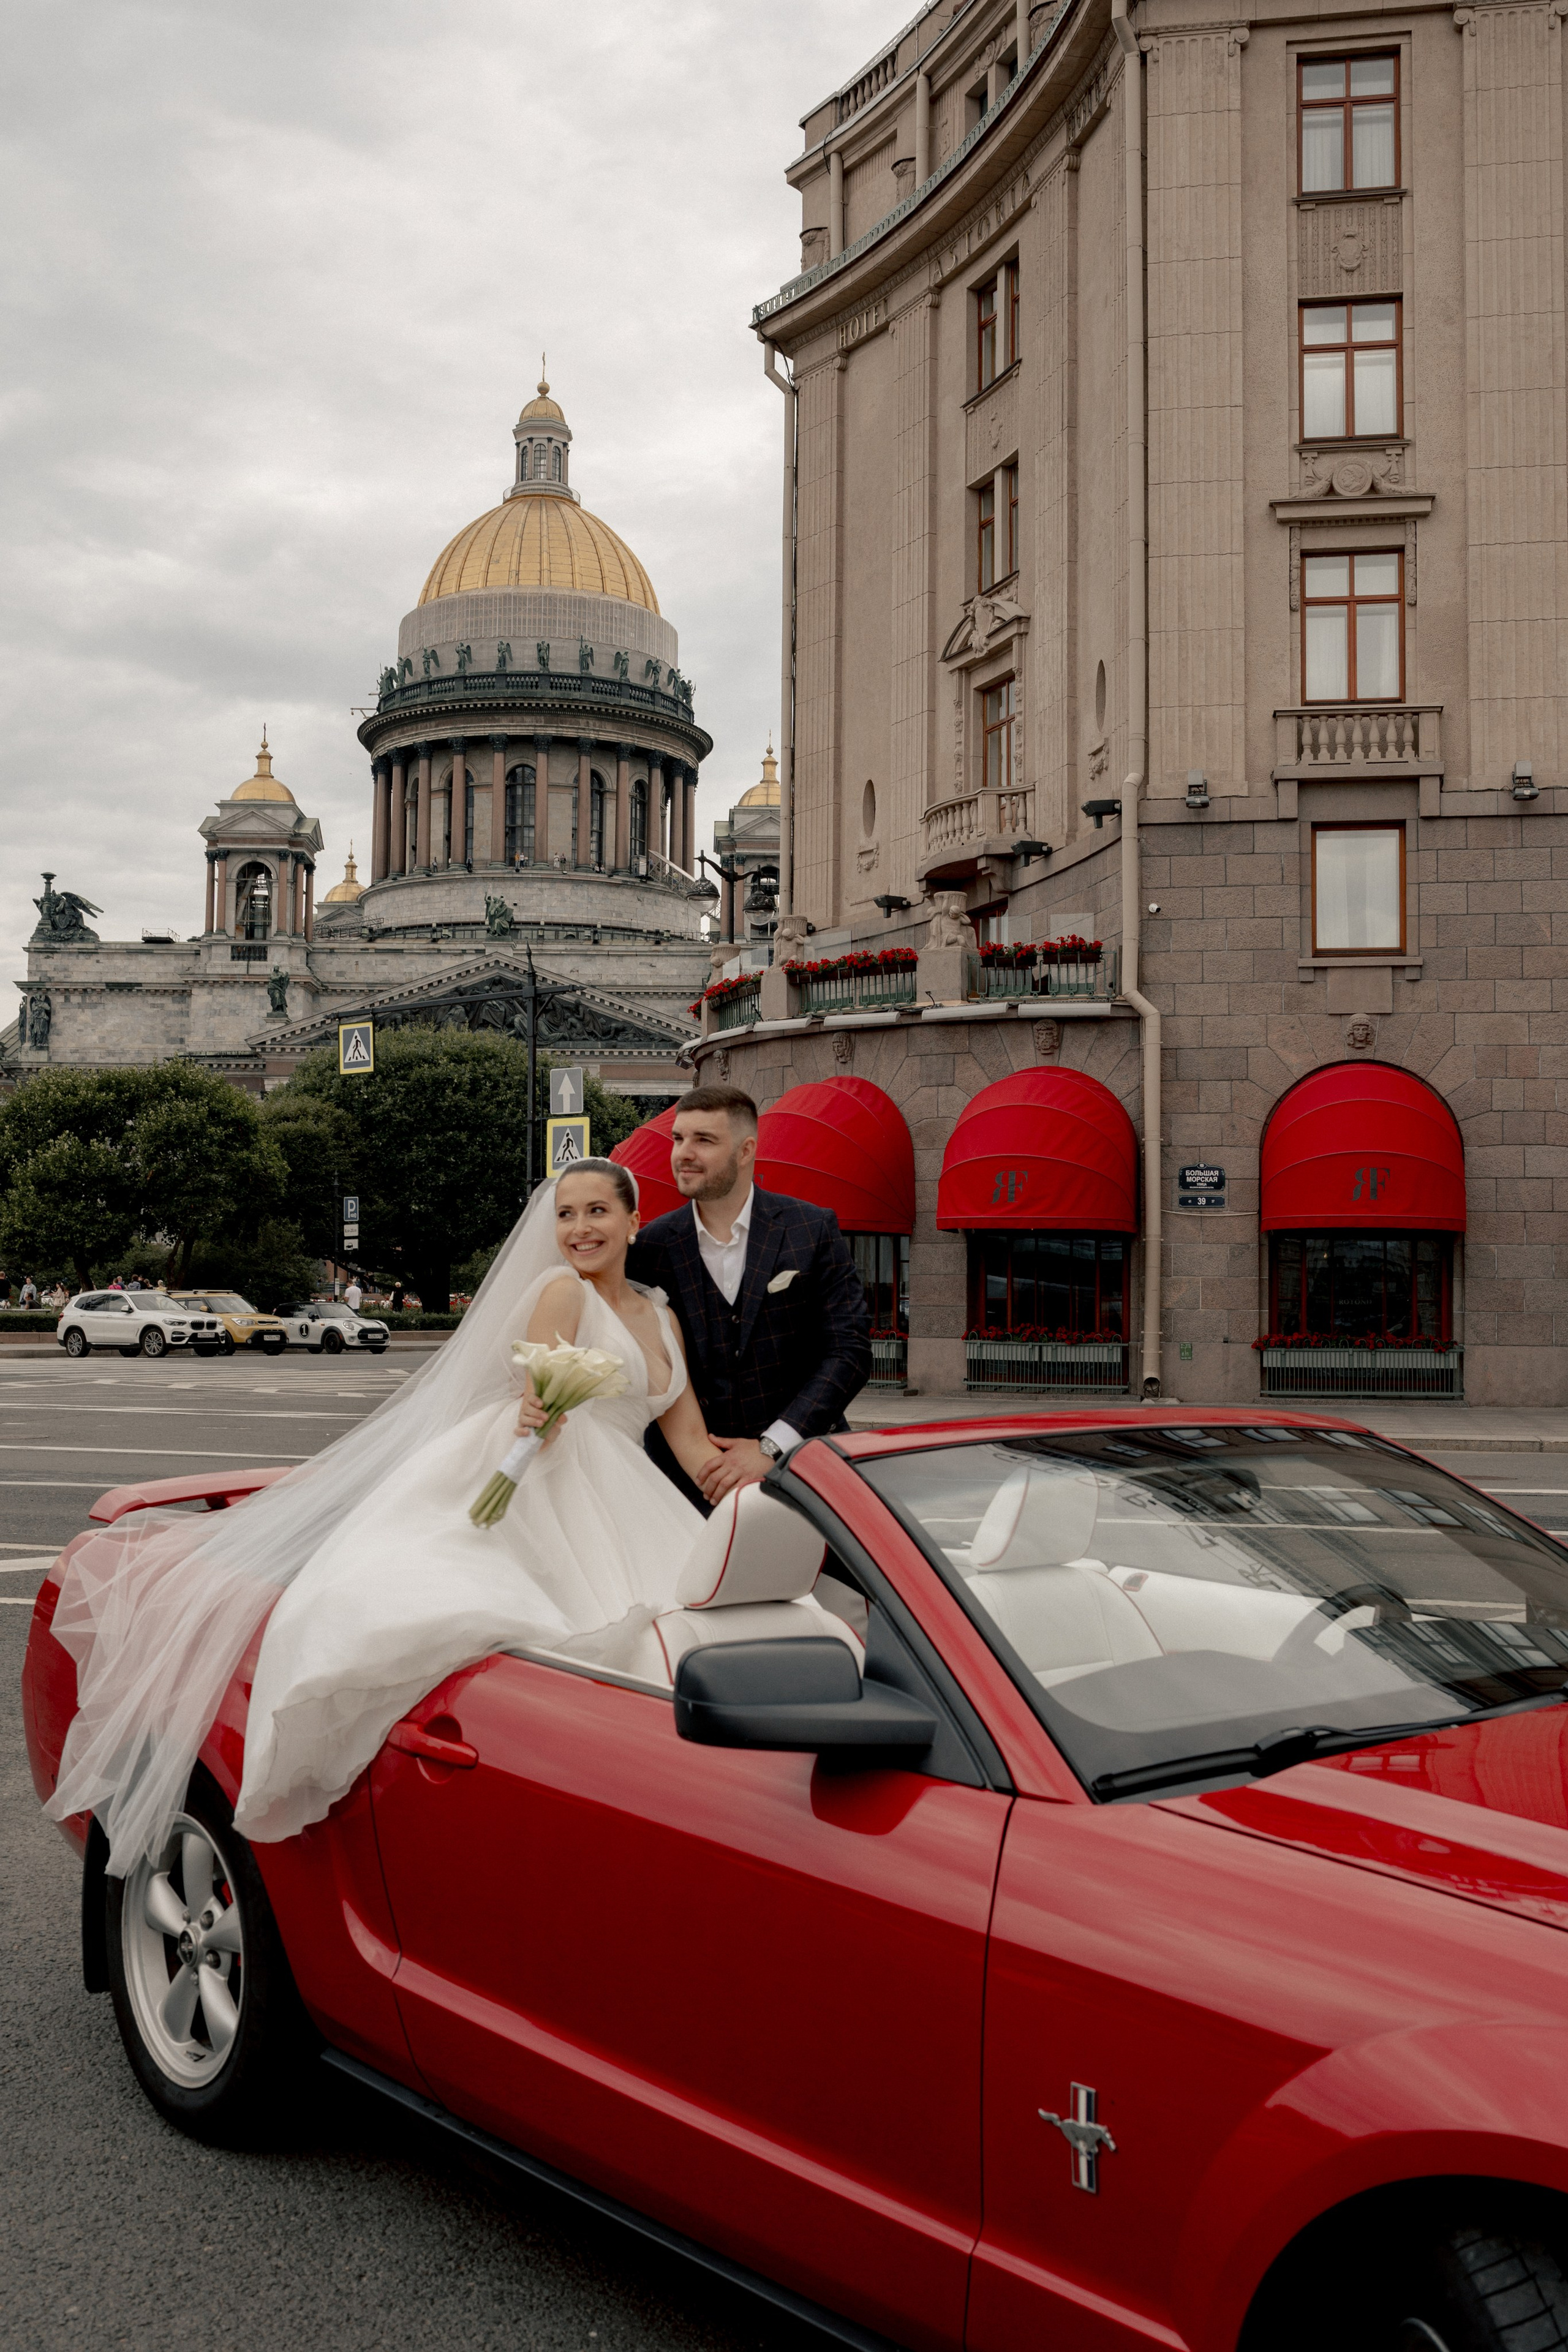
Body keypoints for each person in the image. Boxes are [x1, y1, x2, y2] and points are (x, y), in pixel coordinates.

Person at [46, 1161, 724, 1869]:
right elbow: (539, 1395)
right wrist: (538, 1410)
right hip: (552, 1472)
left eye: (596, 1212)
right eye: (566, 1214)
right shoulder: (562, 1292)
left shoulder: (663, 1317)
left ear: (633, 1221)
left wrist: (765, 1480)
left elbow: (690, 1441)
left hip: (630, 1491)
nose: (580, 1229)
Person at [628, 1084, 872, 1507]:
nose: (683, 1153)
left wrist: (772, 1446)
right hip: (686, 1488)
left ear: (745, 1151)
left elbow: (849, 1352)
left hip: (804, 1476)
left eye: (704, 1140)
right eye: (679, 1138)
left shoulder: (810, 1229)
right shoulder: (650, 1248)